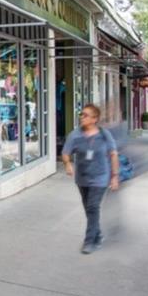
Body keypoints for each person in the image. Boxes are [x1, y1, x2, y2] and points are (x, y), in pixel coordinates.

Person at [62, 103, 120, 254]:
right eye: (81, 114)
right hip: (82, 178)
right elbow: (66, 152)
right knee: (89, 209)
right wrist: (67, 164)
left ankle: (89, 242)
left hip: (101, 177)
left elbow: (113, 154)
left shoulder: (104, 134)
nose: (82, 117)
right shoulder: (75, 135)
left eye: (85, 115)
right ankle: (98, 234)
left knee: (93, 207)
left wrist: (115, 176)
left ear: (95, 119)